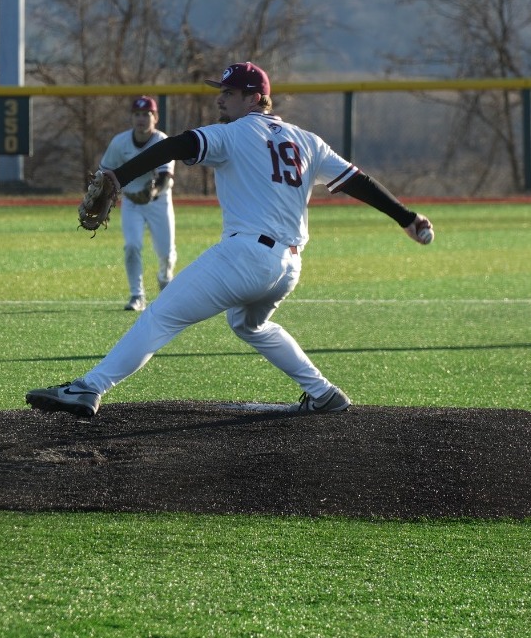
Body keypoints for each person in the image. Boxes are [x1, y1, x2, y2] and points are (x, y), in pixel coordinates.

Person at [28, 61, 434, 418]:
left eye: (229, 92)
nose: (221, 99)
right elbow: (357, 182)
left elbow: (179, 144)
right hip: (288, 265)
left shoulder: (236, 134)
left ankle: (88, 389)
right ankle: (323, 393)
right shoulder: (307, 140)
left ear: (255, 97)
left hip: (246, 256)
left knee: (161, 315)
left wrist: (120, 175)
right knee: (249, 324)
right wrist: (407, 218)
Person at [100, 95, 176, 311]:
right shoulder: (120, 142)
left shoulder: (162, 141)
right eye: (137, 115)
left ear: (155, 117)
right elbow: (104, 172)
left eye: (146, 114)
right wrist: (100, 195)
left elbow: (164, 178)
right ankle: (137, 295)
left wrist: (151, 192)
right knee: (132, 246)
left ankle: (164, 278)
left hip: (159, 202)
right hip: (131, 202)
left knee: (166, 253)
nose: (141, 119)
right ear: (132, 118)